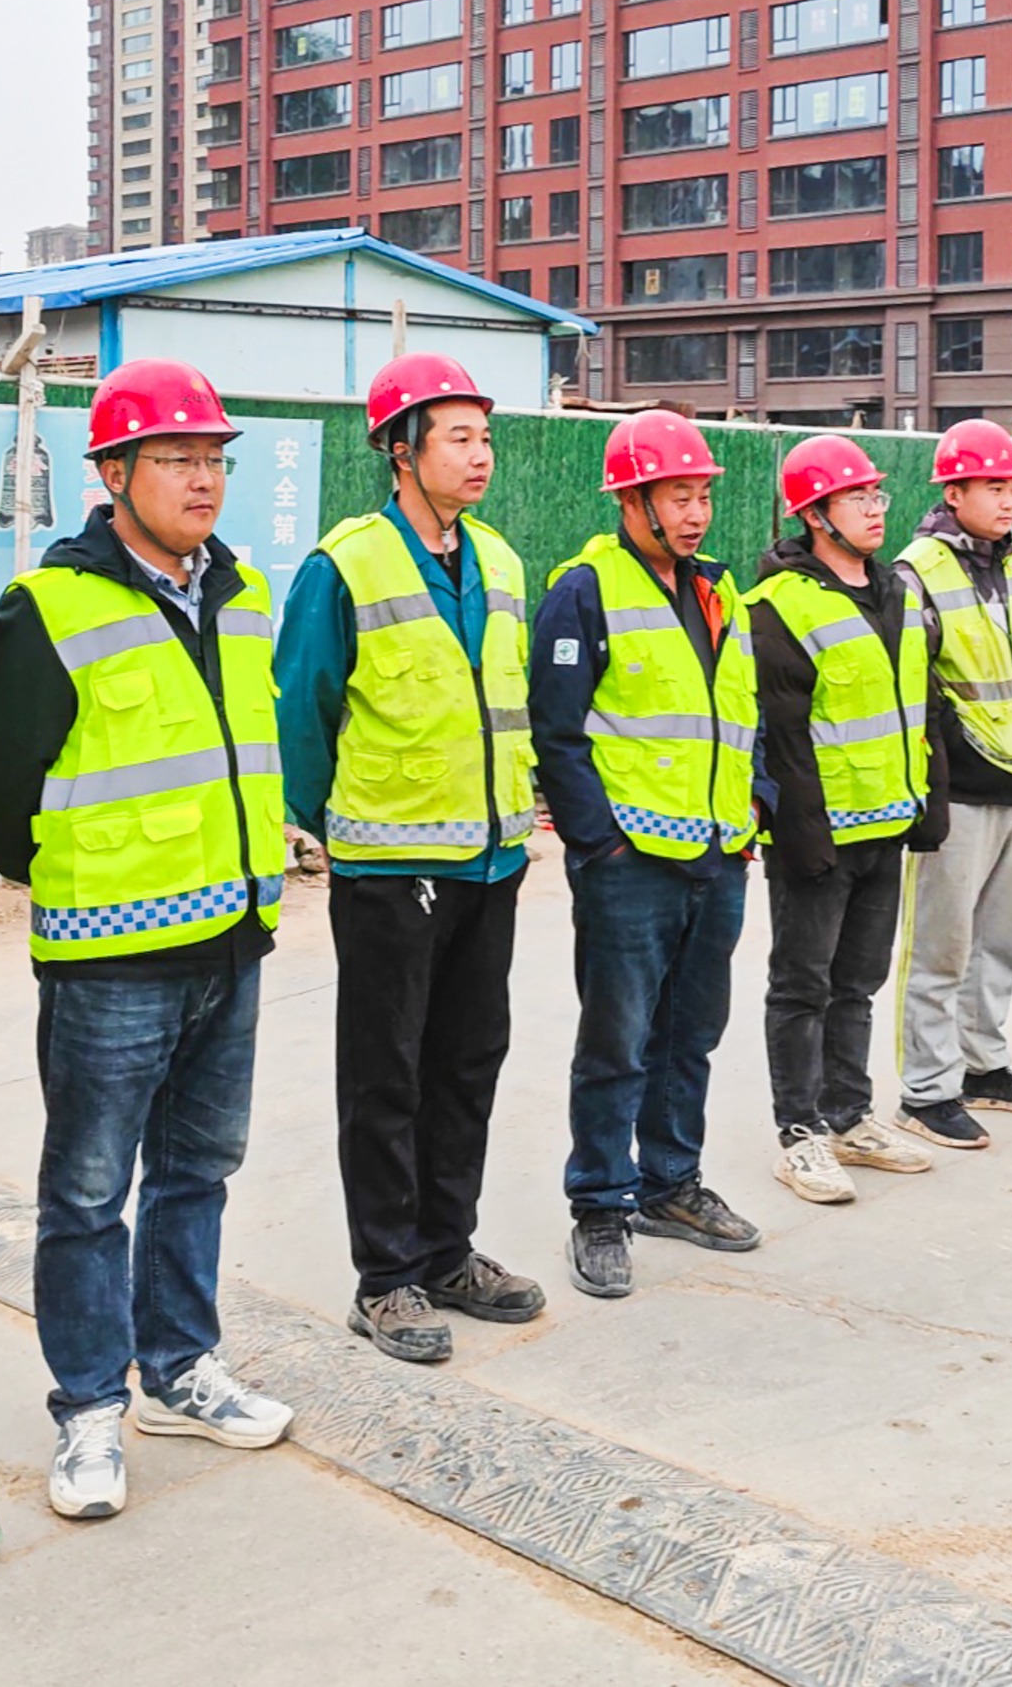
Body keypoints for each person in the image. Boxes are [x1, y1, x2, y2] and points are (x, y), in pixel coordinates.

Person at [0, 358, 294, 1523]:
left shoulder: (242, 597)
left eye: (214, 459)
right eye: (175, 459)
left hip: (231, 937)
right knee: (88, 1192)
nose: (203, 479)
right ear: (112, 474)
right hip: (111, 955)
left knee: (198, 1172)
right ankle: (89, 1407)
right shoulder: (49, 608)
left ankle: (180, 1368)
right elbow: (1, 793)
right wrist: (92, 876)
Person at [274, 354, 546, 1366]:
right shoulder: (343, 567)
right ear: (400, 450)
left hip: (492, 862)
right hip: (390, 869)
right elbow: (302, 710)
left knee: (467, 1062)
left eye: (486, 436)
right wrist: (328, 825)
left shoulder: (502, 562)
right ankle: (385, 1277)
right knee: (385, 1073)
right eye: (458, 437)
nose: (480, 455)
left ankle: (447, 1251)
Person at [530, 409, 767, 1296]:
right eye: (678, 495)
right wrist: (599, 844)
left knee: (690, 1036)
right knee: (616, 1042)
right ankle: (600, 1205)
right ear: (632, 501)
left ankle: (671, 1184)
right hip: (630, 864)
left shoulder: (719, 590)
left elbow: (741, 712)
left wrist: (756, 803)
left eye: (703, 494)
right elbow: (556, 732)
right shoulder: (585, 591)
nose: (696, 512)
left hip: (718, 851)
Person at [746, 435, 939, 1205]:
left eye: (876, 495)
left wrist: (926, 806)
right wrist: (801, 834)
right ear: (815, 514)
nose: (874, 509)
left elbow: (923, 706)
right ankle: (800, 1134)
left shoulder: (897, 591)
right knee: (803, 984)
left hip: (886, 823)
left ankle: (849, 1115)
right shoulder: (778, 607)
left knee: (857, 982)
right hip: (818, 835)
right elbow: (780, 736)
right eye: (857, 498)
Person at [890, 419, 1012, 1150]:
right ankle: (927, 1091)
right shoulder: (916, 571)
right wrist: (933, 781)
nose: (1008, 501)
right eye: (993, 487)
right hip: (959, 791)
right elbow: (913, 689)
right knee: (939, 949)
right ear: (953, 492)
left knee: (1002, 943)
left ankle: (983, 1065)